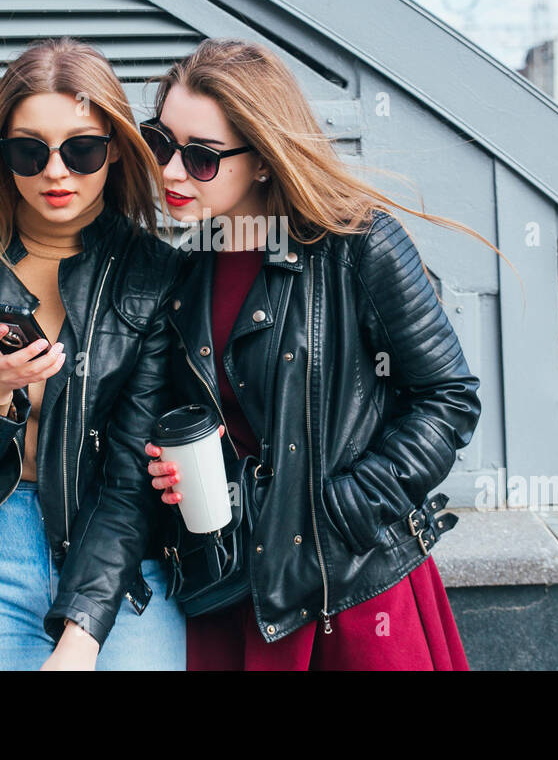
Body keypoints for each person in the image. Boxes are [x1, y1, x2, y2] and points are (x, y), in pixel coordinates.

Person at [141, 38, 492, 670]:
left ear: (265, 160)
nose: (169, 171)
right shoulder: (186, 276)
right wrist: (174, 474)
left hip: (350, 589)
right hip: (236, 587)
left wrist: (346, 509)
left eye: (200, 156)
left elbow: (449, 399)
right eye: (161, 143)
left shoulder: (359, 246)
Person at [0, 37, 186, 670]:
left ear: (114, 151)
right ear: (2, 159)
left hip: (115, 554)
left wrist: (81, 634)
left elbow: (129, 478)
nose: (57, 172)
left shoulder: (156, 276)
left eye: (82, 150)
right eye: (31, 152)